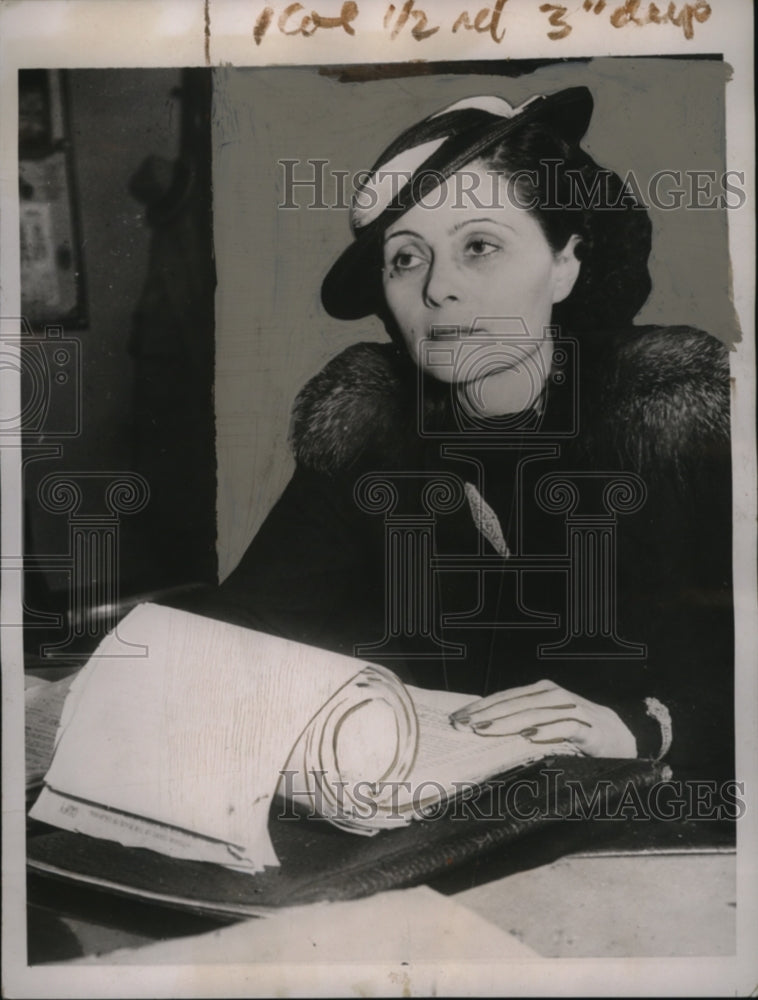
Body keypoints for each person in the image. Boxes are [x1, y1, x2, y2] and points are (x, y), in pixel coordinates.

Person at [185, 87, 733, 782]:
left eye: (479, 245)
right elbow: (243, 633)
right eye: (406, 258)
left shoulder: (677, 424)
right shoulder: (373, 435)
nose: (438, 288)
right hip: (445, 824)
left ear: (563, 264)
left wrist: (641, 726)